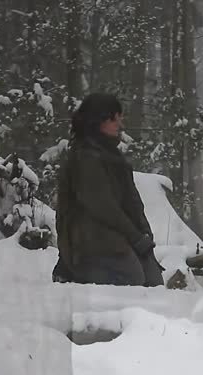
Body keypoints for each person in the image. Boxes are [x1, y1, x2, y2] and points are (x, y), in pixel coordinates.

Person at [52, 93, 164, 287]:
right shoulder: (85, 157)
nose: (119, 124)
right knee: (132, 279)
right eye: (114, 119)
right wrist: (136, 238)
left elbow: (132, 202)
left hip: (115, 236)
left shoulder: (114, 157)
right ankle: (72, 274)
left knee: (153, 280)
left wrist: (145, 233)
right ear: (98, 121)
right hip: (88, 241)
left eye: (119, 118)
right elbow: (103, 207)